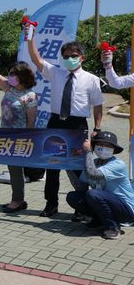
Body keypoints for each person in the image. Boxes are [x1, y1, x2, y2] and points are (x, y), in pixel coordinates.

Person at [28, 38, 103, 218]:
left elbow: (98, 105)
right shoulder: (56, 73)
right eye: (66, 56)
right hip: (56, 123)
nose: (69, 59)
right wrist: (30, 38)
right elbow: (36, 59)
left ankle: (81, 206)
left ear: (82, 58)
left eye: (74, 56)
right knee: (52, 166)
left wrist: (98, 127)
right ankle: (51, 204)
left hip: (77, 125)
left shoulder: (92, 79)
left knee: (78, 167)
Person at [0, 51, 38, 213]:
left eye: (13, 74)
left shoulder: (30, 96)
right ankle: (18, 199)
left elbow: (31, 121)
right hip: (5, 137)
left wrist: (28, 141)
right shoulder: (9, 88)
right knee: (13, 170)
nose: (10, 76)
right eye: (10, 73)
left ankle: (17, 201)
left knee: (16, 170)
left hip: (19, 139)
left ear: (23, 76)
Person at [66, 131, 134, 239]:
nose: (103, 147)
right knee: (73, 197)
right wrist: (69, 165)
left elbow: (93, 174)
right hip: (106, 203)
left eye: (108, 146)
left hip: (126, 210)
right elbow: (81, 187)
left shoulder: (118, 164)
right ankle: (100, 220)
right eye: (100, 144)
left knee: (93, 194)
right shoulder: (93, 163)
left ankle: (113, 228)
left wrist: (88, 152)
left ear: (114, 149)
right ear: (95, 146)